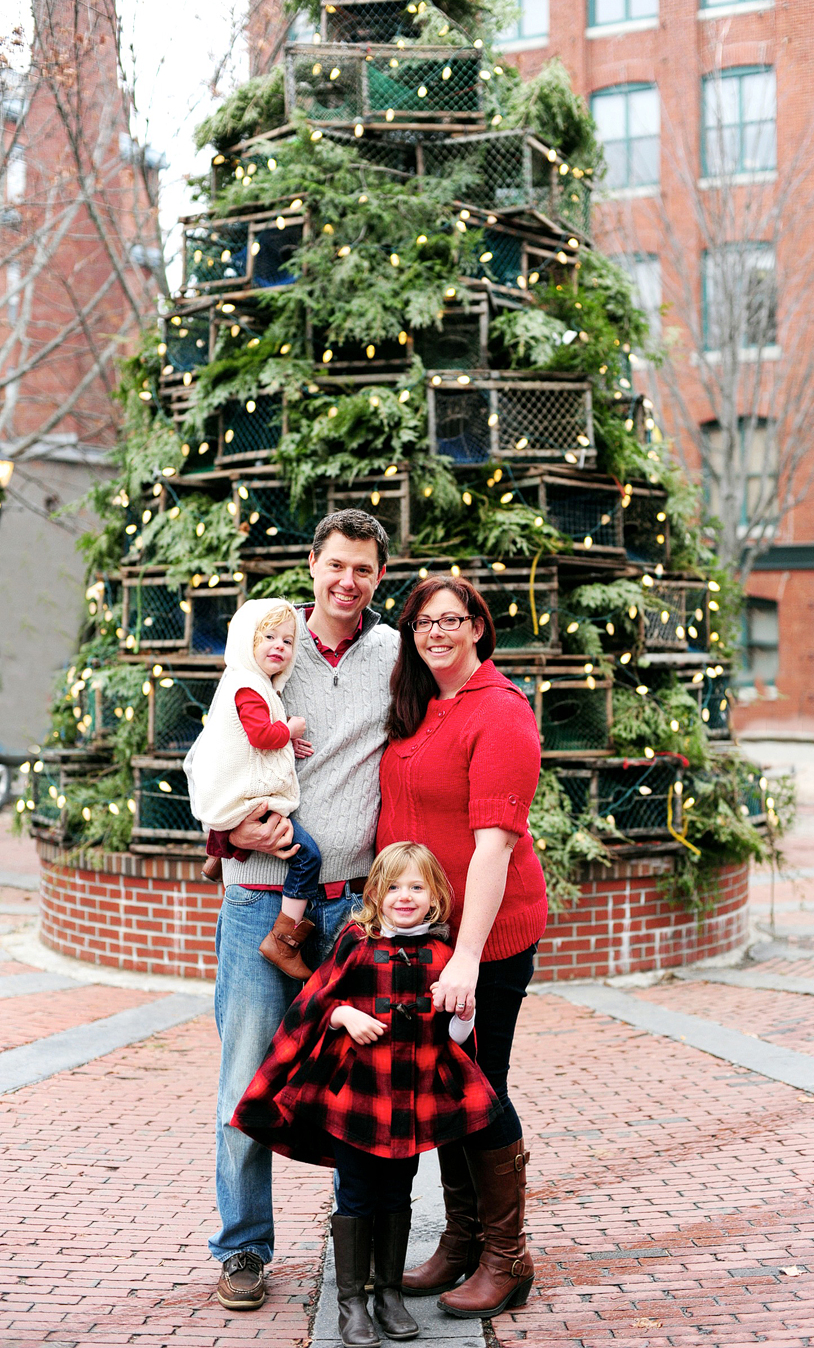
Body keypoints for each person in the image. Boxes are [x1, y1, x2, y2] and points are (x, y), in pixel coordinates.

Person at [184, 510, 399, 1312]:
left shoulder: (391, 652)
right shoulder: (273, 639)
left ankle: (356, 1246)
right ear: (312, 565)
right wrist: (222, 826)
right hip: (255, 902)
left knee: (354, 1079)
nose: (348, 582)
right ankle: (243, 1248)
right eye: (336, 565)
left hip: (350, 909)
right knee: (246, 1078)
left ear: (380, 576)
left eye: (365, 569)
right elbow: (207, 748)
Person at [231, 842, 501, 1348]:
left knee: (397, 1192)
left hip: (410, 1102)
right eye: (394, 887)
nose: (405, 897)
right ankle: (351, 1302)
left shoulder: (444, 957)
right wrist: (343, 1015)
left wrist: (460, 1012)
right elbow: (314, 1003)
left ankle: (389, 1295)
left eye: (417, 887)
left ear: (435, 896)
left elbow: (458, 1042)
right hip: (355, 1100)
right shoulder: (357, 943)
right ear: (375, 894)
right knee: (356, 1193)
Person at [376, 575, 548, 1318]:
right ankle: (463, 1238)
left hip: (486, 936)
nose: (436, 633)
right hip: (423, 936)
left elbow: (493, 847)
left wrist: (470, 956)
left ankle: (508, 1256)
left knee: (478, 1085)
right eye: (423, 622)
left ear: (479, 625)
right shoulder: (421, 706)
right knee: (447, 1082)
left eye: (452, 619)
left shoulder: (502, 713)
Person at [188, 598, 322, 980]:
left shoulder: (254, 685)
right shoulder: (248, 687)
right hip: (249, 803)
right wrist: (290, 730)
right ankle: (283, 941)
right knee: (308, 856)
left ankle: (219, 855)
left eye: (288, 641)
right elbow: (262, 735)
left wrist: (285, 742)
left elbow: (253, 738)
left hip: (248, 803)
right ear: (247, 640)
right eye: (268, 637)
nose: (279, 646)